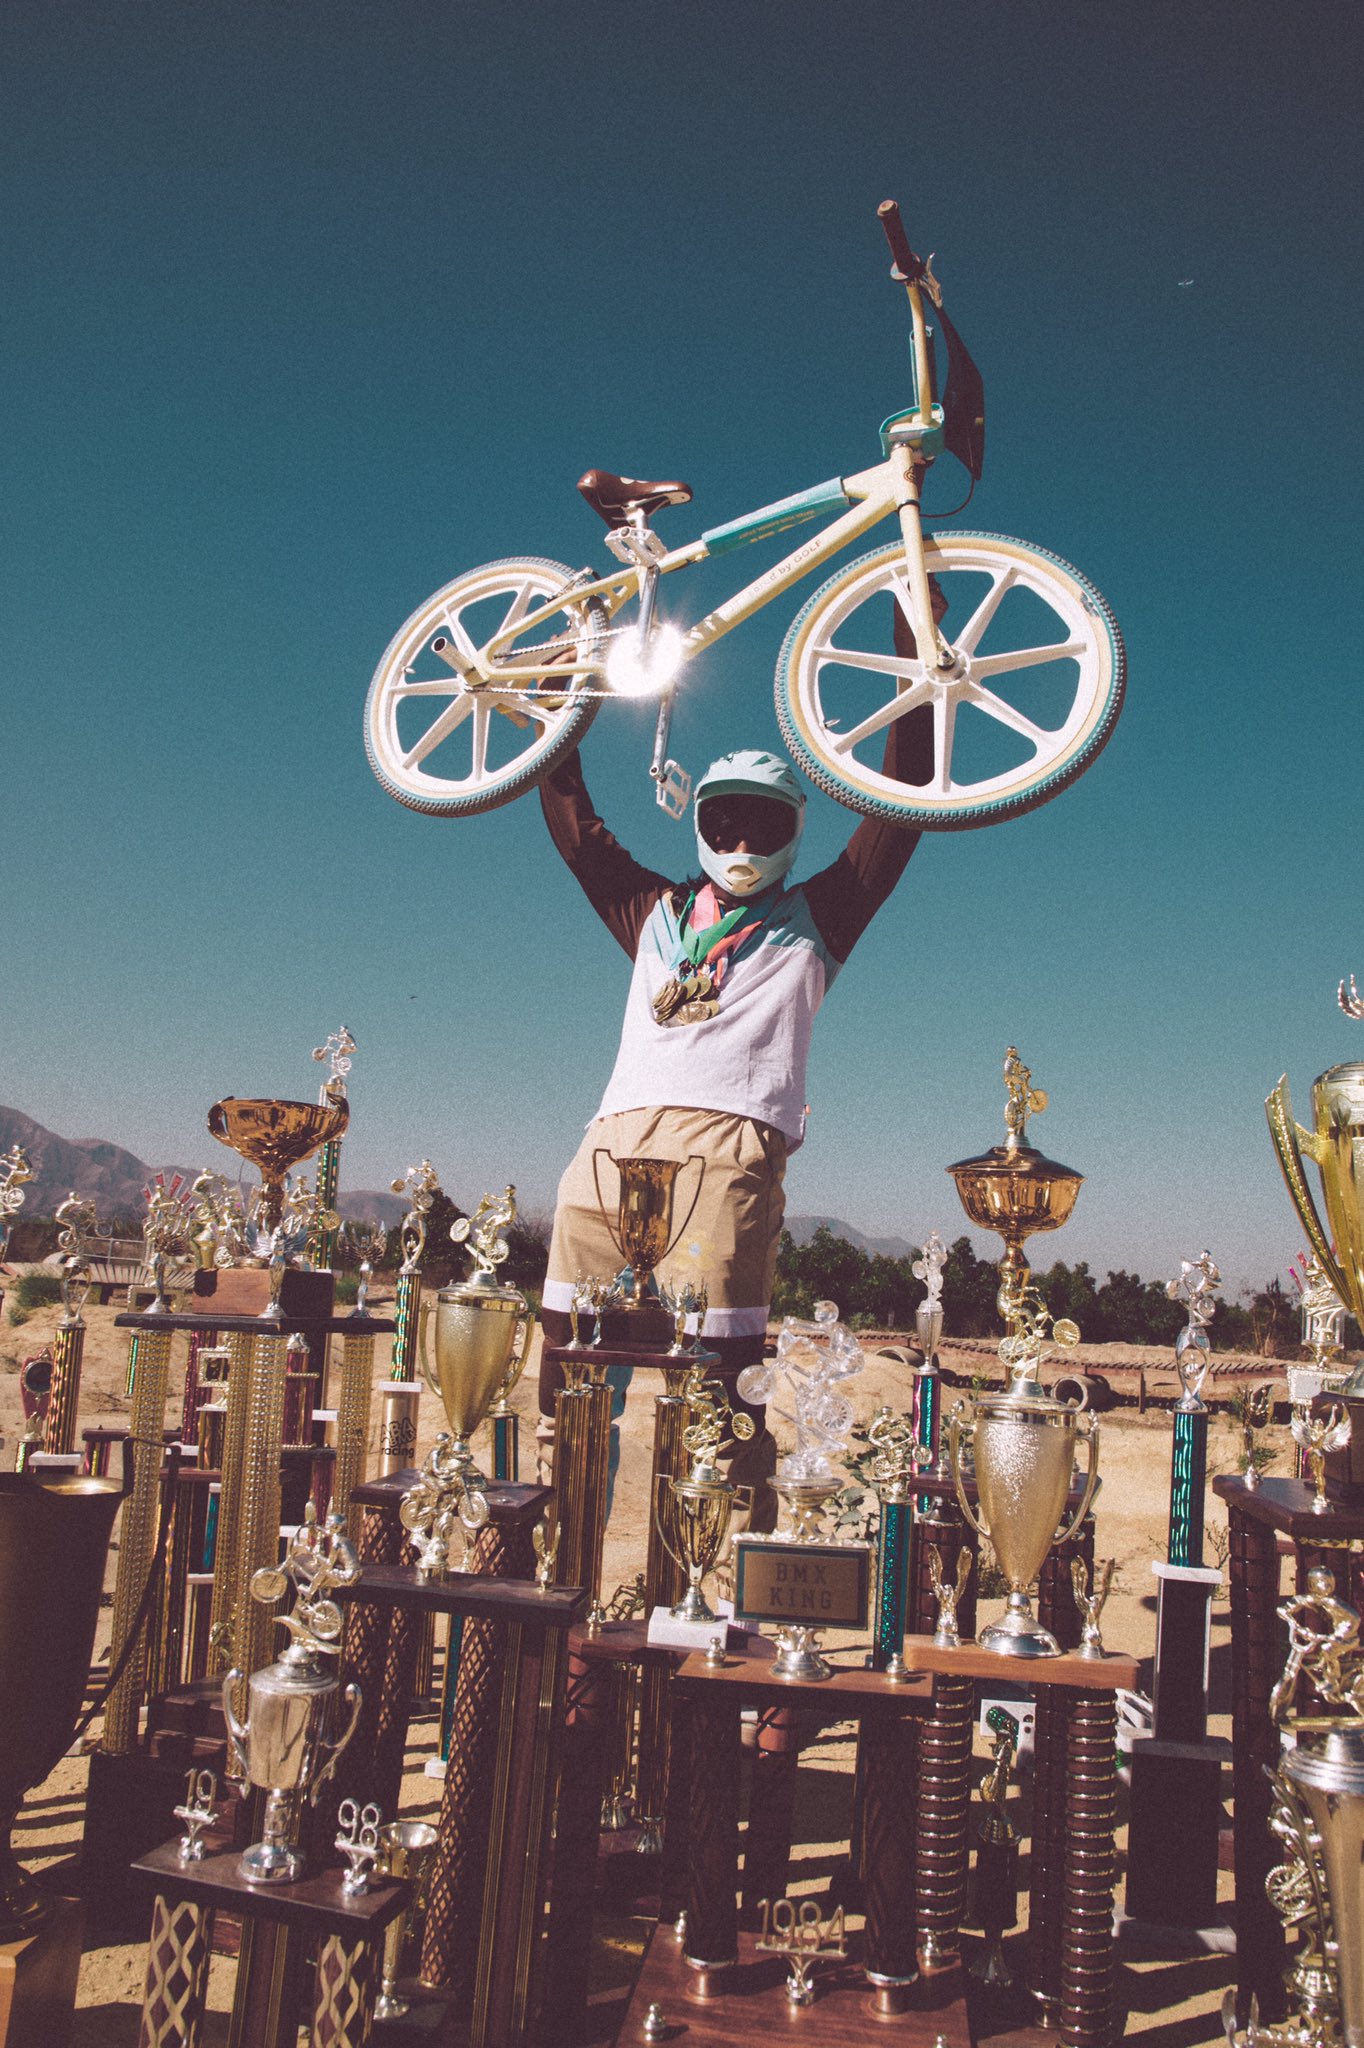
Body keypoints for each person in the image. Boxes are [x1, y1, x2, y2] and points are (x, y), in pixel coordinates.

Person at [535, 593, 945, 1519]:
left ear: (792, 830)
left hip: (730, 1156)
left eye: (762, 826)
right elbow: (577, 834)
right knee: (570, 1385)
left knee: (720, 1394)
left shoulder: (819, 917)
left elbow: (902, 808)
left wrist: (915, 652)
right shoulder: (652, 915)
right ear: (703, 824)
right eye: (724, 824)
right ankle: (559, 1594)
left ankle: (713, 1606)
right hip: (607, 1152)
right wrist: (558, 711)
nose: (742, 842)